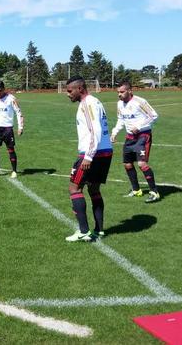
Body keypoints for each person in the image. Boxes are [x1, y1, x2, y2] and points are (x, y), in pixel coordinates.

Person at [65, 76, 113, 242]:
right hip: (105, 152)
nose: (67, 94)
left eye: (70, 91)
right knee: (94, 190)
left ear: (80, 89)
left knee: (74, 189)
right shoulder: (95, 102)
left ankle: (83, 231)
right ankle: (99, 230)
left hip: (92, 154)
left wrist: (88, 156)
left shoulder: (88, 103)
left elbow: (96, 130)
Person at [110, 82, 161, 203]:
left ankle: (154, 192)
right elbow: (121, 119)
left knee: (142, 164)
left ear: (129, 91)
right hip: (130, 137)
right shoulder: (119, 104)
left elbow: (153, 116)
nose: (119, 94)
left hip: (143, 135)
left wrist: (139, 126)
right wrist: (114, 132)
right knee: (127, 164)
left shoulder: (140, 101)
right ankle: (136, 190)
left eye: (122, 92)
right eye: (118, 92)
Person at [0, 80, 24, 178]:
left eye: (0, 90)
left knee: (10, 149)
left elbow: (18, 113)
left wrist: (20, 127)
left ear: (4, 89)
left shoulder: (11, 99)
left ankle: (14, 171)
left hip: (7, 128)